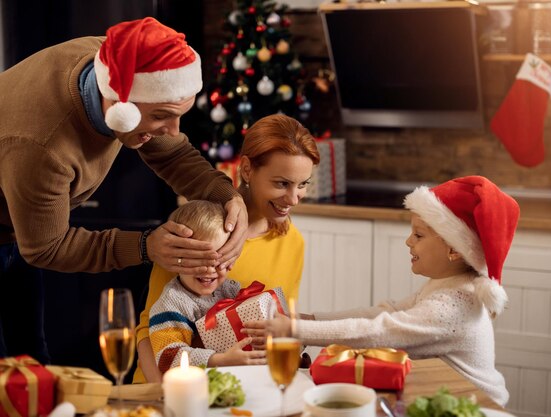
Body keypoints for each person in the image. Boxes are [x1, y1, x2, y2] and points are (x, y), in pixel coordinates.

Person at [0, 17, 248, 364]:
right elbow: (46, 247)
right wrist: (147, 245)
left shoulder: (125, 61)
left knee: (31, 363)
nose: (173, 130)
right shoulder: (42, 146)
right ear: (120, 106)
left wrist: (228, 195)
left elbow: (174, 152)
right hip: (19, 226)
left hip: (17, 226)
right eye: (162, 116)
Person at [251, 176, 519, 407]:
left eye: (419, 235)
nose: (408, 241)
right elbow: (387, 311)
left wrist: (296, 331)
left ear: (455, 250)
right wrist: (311, 320)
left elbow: (382, 330)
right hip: (443, 396)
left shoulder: (454, 304)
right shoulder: (450, 284)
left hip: (474, 406)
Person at [134, 113, 320, 382]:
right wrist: (170, 399)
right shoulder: (199, 227)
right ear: (246, 169)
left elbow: (278, 328)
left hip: (235, 392)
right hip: (169, 388)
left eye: (303, 184)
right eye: (282, 183)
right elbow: (147, 332)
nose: (294, 198)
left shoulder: (292, 242)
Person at [149, 200, 265, 371]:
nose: (209, 269)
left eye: (219, 259)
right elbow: (168, 358)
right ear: (176, 257)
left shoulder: (230, 290)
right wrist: (220, 360)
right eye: (198, 259)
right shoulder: (171, 304)